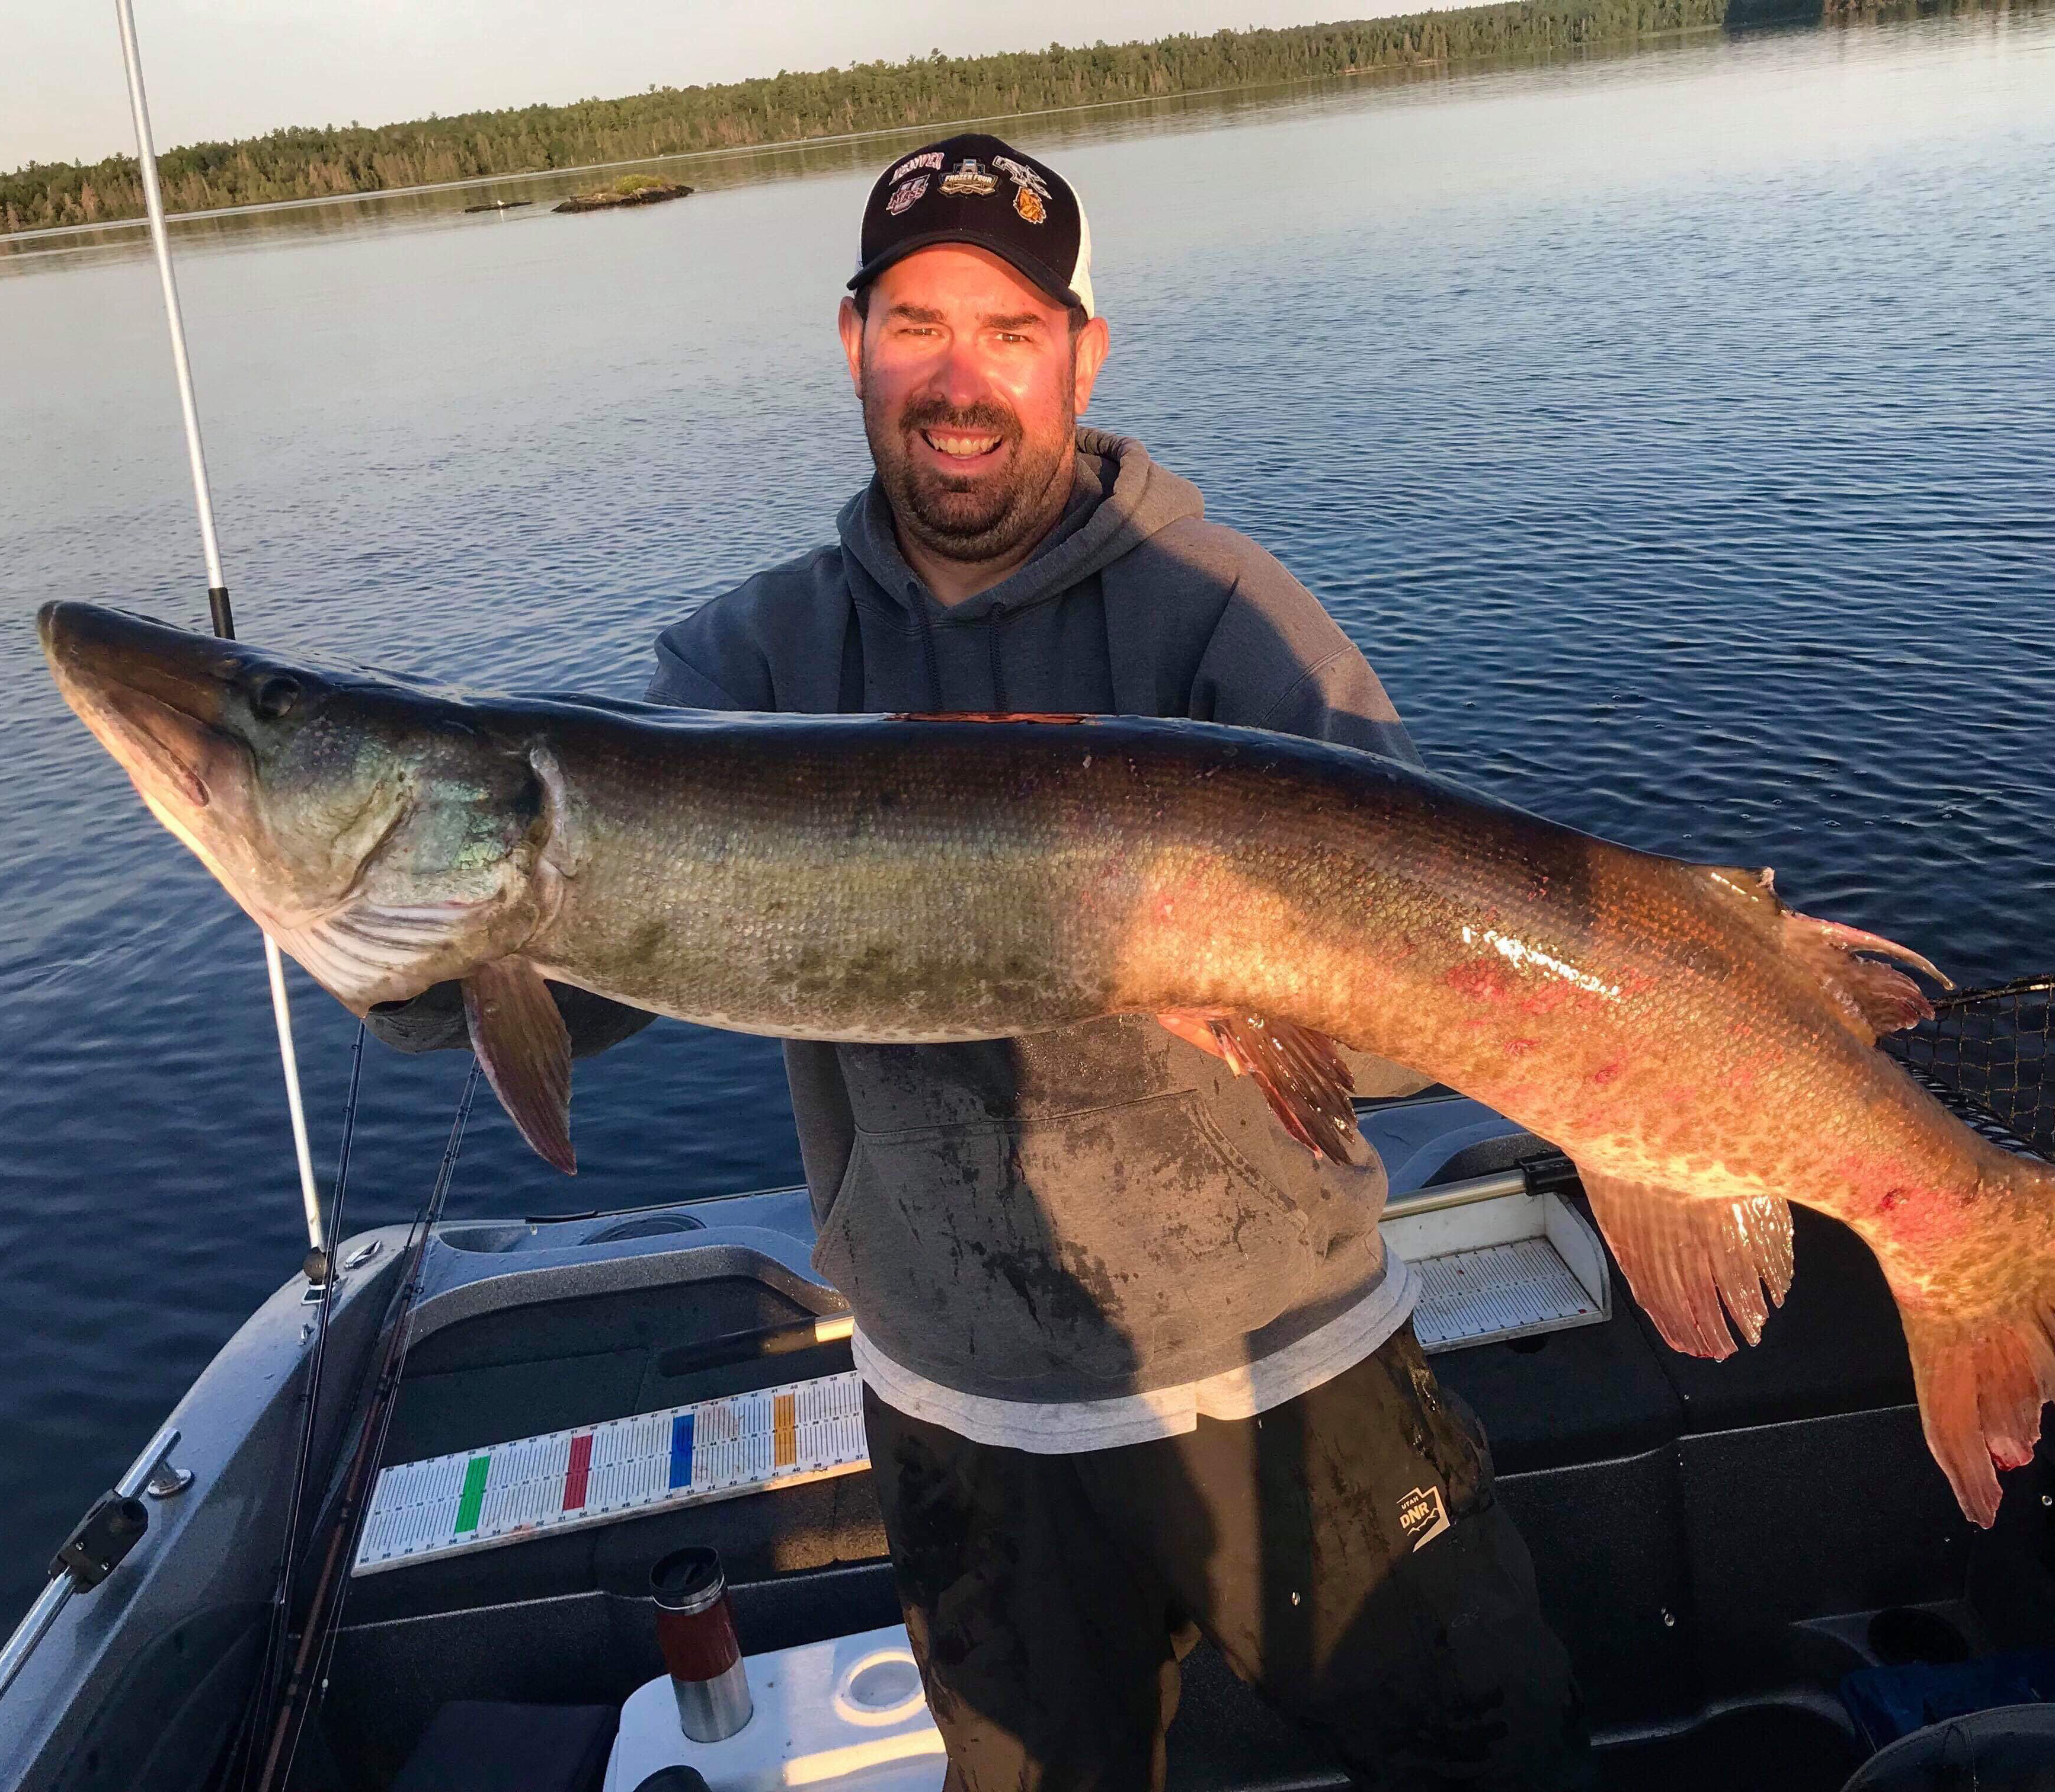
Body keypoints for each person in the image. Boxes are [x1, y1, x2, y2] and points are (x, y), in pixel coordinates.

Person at [373, 132, 1592, 1792]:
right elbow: (574, 977)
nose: (960, 382)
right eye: (917, 327)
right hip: (966, 1425)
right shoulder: (743, 665)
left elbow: (1427, 1021)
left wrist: (1258, 969)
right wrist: (399, 955)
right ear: (854, 342)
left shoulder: (1232, 624)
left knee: (1496, 1762)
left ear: (1083, 356)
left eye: (1011, 332)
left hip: (1286, 1375)